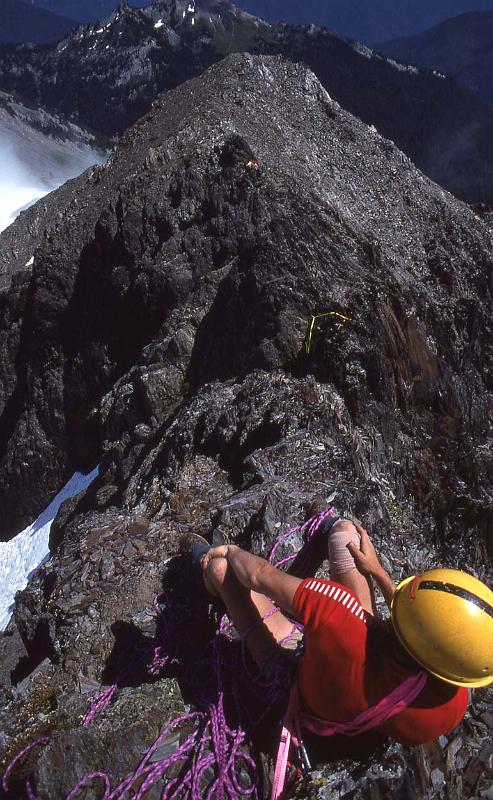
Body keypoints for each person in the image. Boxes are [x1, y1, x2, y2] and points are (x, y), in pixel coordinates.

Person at [195, 515, 493, 765]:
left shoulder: (336, 608)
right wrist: (376, 572)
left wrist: (230, 551)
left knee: (221, 570)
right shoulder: (451, 701)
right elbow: (415, 642)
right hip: (360, 713)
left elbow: (259, 575)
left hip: (295, 682)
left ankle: (203, 570)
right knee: (346, 536)